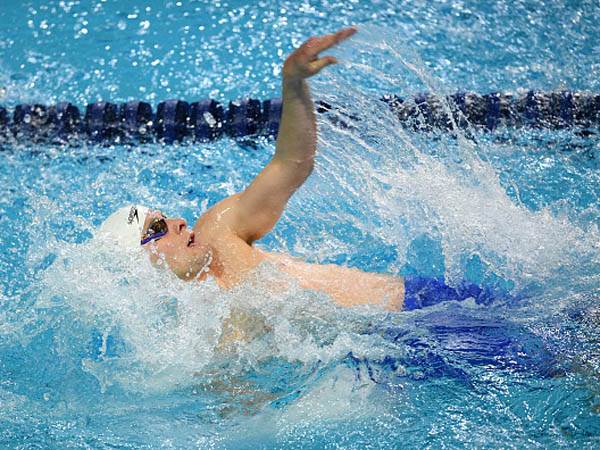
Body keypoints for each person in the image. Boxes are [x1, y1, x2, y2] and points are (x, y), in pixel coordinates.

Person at [99, 27, 496, 312]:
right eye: (157, 228)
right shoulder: (189, 334)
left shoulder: (218, 231)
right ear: (144, 266)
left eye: (165, 217)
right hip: (392, 355)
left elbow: (292, 164)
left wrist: (292, 85)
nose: (178, 221)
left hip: (425, 312)